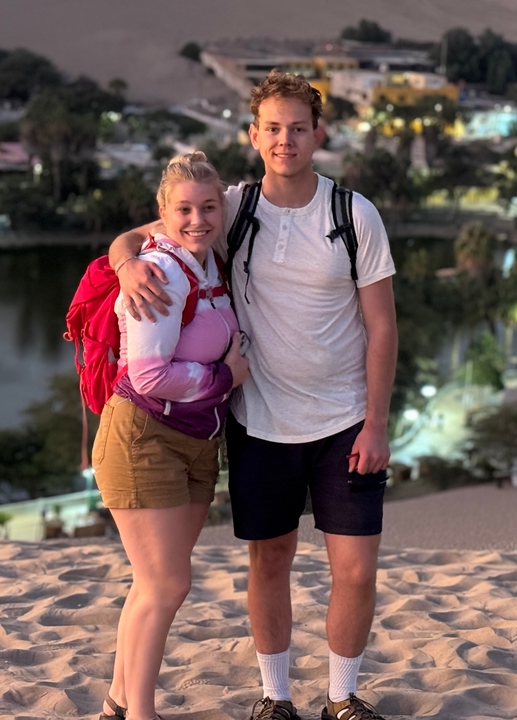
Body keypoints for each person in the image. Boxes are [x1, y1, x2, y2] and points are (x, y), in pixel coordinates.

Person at [109, 72, 399, 720]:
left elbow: (382, 325)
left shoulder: (354, 215)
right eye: (273, 128)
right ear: (254, 135)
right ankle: (275, 699)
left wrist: (376, 422)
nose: (286, 140)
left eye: (299, 128)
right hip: (260, 420)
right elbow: (143, 236)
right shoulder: (231, 206)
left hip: (344, 422)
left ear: (318, 135)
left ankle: (341, 697)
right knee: (270, 561)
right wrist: (125, 263)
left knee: (354, 571)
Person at [95, 152, 249, 720]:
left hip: (195, 441)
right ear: (162, 213)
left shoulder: (210, 260)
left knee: (154, 584)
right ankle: (142, 713)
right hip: (143, 437)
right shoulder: (157, 272)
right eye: (183, 210)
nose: (198, 219)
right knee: (167, 584)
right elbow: (148, 374)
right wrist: (226, 377)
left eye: (209, 207)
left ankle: (118, 701)